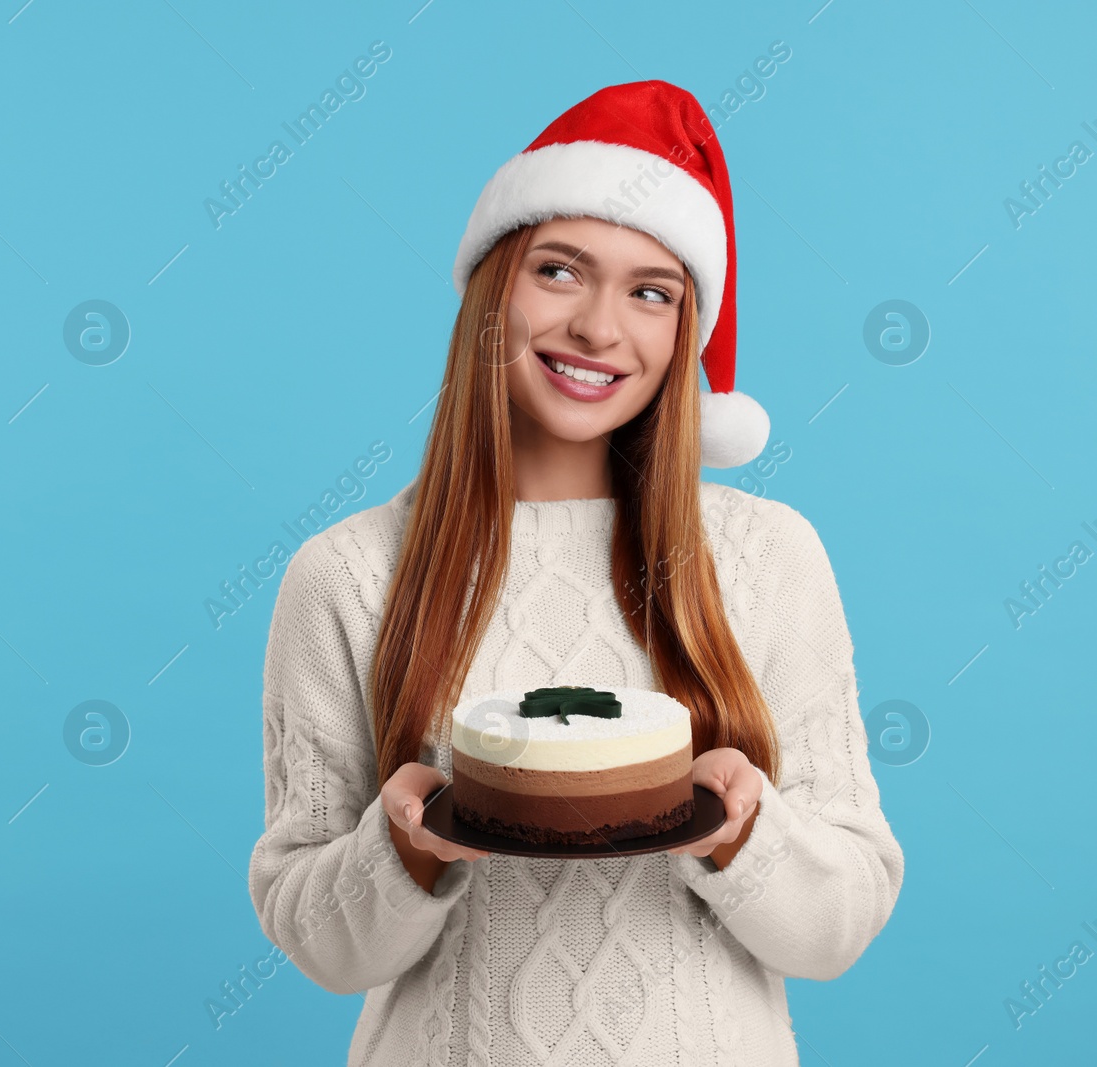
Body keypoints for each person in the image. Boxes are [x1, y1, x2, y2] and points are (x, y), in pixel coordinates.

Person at [247, 80, 904, 1066]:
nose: (602, 328)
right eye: (559, 271)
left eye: (652, 292)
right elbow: (317, 940)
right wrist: (406, 848)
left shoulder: (767, 558)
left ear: (683, 332)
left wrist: (741, 830)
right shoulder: (346, 574)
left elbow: (840, 921)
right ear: (492, 286)